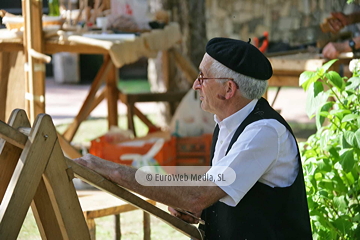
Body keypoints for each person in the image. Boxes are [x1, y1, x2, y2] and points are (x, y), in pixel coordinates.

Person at [73, 37, 312, 239]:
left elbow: (198, 194)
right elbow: (213, 192)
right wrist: (201, 212)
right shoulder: (227, 122)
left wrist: (111, 170)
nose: (196, 85)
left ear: (228, 90)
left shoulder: (263, 132)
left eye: (202, 77)